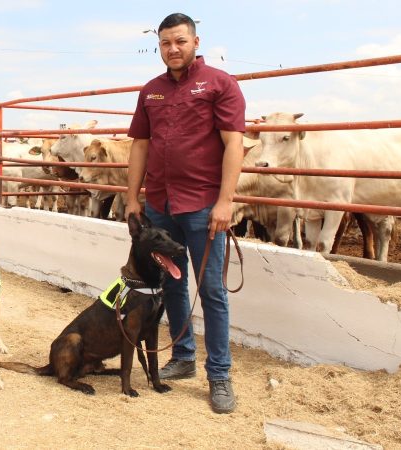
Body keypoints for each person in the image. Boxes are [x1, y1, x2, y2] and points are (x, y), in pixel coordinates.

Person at [125, 13, 245, 413]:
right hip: (160, 203)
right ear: (158, 47)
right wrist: (132, 198)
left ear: (196, 41)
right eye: (165, 43)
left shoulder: (219, 84)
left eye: (179, 41)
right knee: (171, 284)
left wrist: (226, 201)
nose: (172, 49)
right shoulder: (151, 91)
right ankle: (183, 357)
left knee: (210, 290)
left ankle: (220, 374)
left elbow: (233, 144)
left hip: (204, 205)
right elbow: (140, 144)